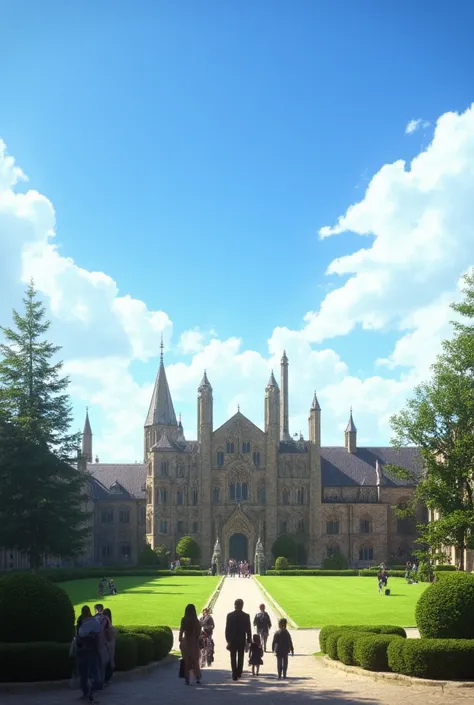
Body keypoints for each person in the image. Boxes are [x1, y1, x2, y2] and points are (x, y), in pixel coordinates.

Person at [76, 605, 102, 703]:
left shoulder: (80, 621)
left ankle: (85, 692)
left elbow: (78, 635)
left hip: (82, 651)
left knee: (83, 674)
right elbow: (98, 634)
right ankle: (91, 693)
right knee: (94, 674)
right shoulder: (94, 622)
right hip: (91, 651)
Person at [225, 598, 252, 681]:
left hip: (232, 639)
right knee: (241, 656)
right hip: (241, 639)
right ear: (242, 606)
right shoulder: (246, 616)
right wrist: (249, 639)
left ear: (234, 605)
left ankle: (234, 674)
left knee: (233, 657)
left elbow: (227, 629)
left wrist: (228, 640)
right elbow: (248, 629)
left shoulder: (229, 615)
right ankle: (239, 672)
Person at [179, 604, 202, 685]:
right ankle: (197, 677)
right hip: (194, 642)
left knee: (186, 661)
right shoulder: (196, 621)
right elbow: (198, 633)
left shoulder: (184, 619)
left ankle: (187, 679)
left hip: (186, 641)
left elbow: (181, 631)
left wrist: (180, 640)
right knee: (195, 661)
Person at [103, 608, 117, 687]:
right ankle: (106, 678)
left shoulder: (104, 621)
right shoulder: (107, 622)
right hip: (108, 644)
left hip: (107, 644)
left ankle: (106, 678)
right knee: (109, 660)